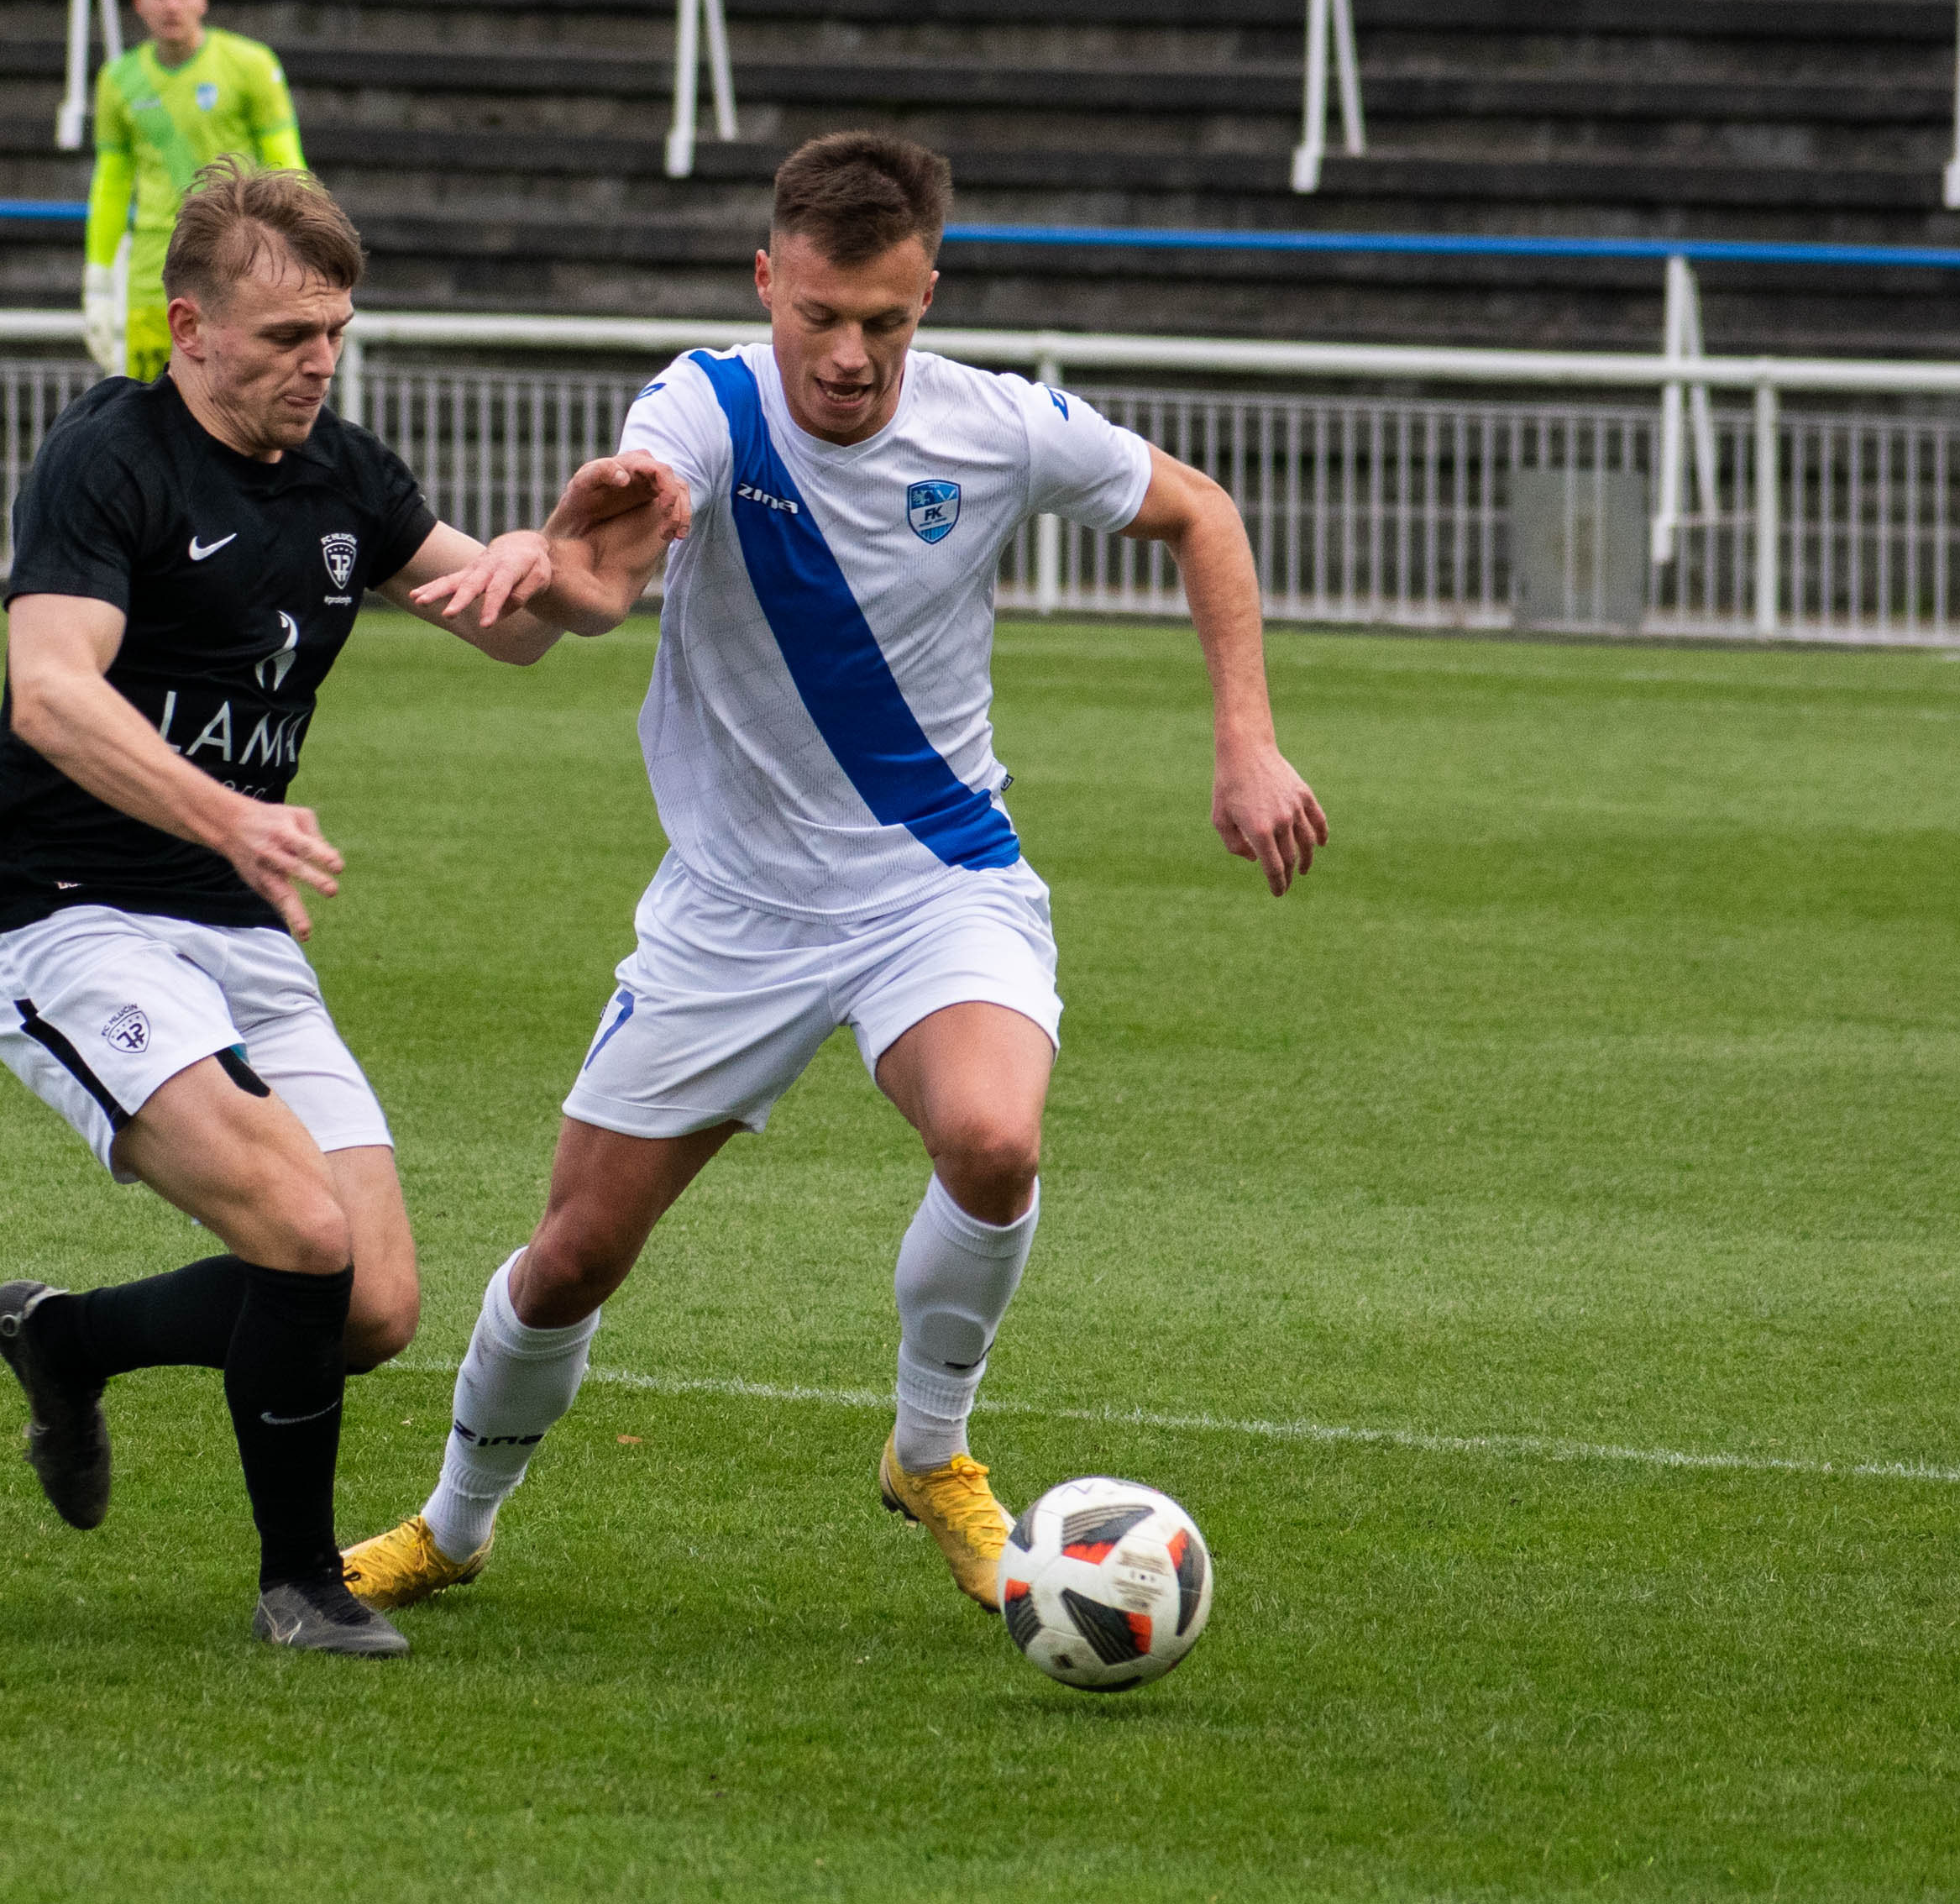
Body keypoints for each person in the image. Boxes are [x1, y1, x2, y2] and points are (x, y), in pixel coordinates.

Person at [338, 131, 1328, 1620]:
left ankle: (930, 1451)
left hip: (936, 884)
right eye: (818, 315)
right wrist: (573, 568)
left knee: (992, 1140)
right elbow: (612, 565)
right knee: (572, 1257)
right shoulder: (704, 407)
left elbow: (1201, 512)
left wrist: (1245, 743)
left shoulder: (997, 426)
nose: (850, 355)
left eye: (883, 320)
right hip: (731, 912)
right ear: (766, 282)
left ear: (929, 292)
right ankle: (453, 1523)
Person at [0, 157, 631, 1660]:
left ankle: (64, 1338)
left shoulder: (344, 476)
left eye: (334, 333)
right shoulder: (108, 459)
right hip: (65, 916)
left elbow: (513, 627)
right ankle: (299, 1586)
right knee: (300, 1227)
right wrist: (227, 816)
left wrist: (579, 559)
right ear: (188, 329)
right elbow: (51, 693)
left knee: (370, 1304)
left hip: (236, 921)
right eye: (283, 338)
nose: (316, 364)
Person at [83, 0, 307, 385]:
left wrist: (301, 256)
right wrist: (99, 278)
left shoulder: (250, 65)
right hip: (153, 272)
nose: (172, 5)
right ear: (139, 2)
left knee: (233, 398)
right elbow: (111, 182)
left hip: (236, 264)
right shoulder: (118, 80)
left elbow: (287, 167)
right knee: (151, 403)